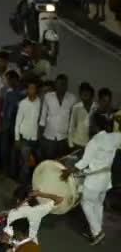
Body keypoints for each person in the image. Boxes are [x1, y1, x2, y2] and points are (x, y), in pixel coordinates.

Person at [61, 114, 121, 245]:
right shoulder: (115, 137)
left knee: (86, 203)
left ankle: (98, 233)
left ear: (95, 126)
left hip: (94, 181)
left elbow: (84, 162)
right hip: (106, 180)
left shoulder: (94, 141)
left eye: (91, 125)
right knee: (98, 205)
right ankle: (97, 232)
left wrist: (68, 172)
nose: (89, 127)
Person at [38, 74, 76, 160]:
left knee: (60, 163)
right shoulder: (48, 97)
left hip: (64, 138)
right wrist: (40, 138)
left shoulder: (72, 98)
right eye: (59, 84)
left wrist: (70, 139)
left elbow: (72, 120)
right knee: (48, 162)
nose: (61, 86)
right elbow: (43, 118)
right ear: (55, 85)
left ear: (67, 85)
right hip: (48, 137)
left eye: (64, 84)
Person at [14, 80, 41, 183]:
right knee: (25, 164)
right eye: (30, 88)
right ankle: (22, 186)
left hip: (36, 139)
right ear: (27, 90)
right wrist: (17, 138)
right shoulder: (23, 103)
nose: (32, 90)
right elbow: (18, 122)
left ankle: (33, 185)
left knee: (36, 164)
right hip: (25, 138)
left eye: (34, 88)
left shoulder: (40, 103)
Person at [69, 82, 96, 149]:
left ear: (91, 94)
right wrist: (71, 144)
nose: (85, 95)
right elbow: (71, 126)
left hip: (92, 144)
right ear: (80, 95)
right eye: (82, 93)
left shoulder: (96, 108)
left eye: (87, 92)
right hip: (77, 144)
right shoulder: (76, 108)